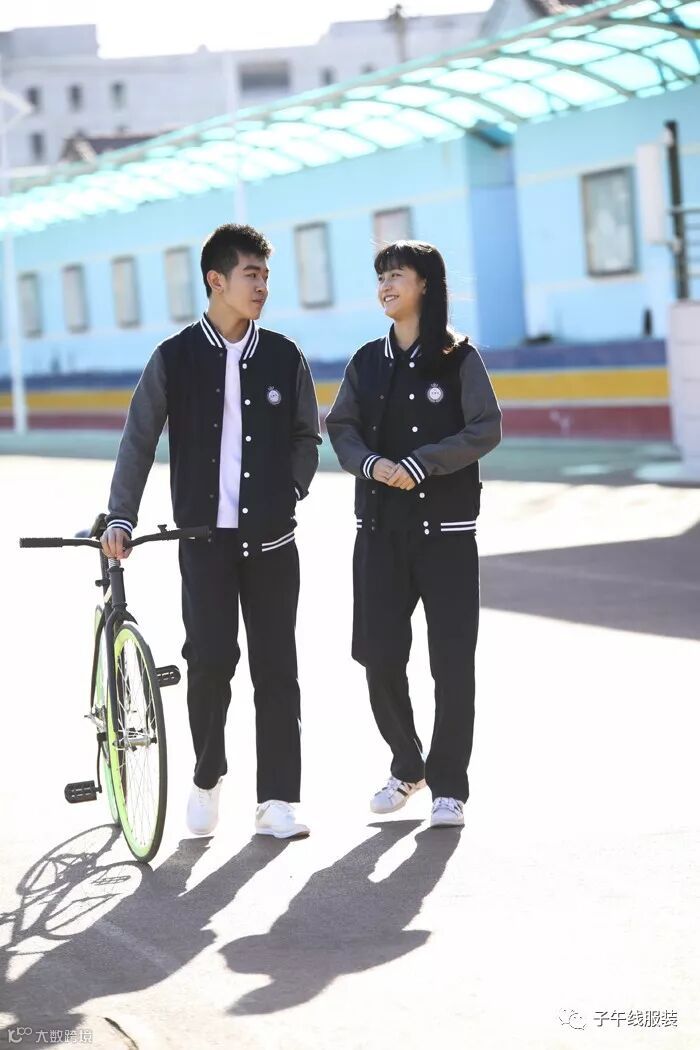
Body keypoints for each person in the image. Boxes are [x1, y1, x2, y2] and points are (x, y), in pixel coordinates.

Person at [101, 223, 321, 840]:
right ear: (216, 280)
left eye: (267, 276)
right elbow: (139, 439)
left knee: (277, 667)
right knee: (209, 663)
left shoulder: (283, 355)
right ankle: (207, 775)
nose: (262, 286)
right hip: (204, 544)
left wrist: (289, 490)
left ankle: (278, 799)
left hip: (273, 543)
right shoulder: (174, 358)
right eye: (252, 275)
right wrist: (120, 515)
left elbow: (307, 435)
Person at [326, 240, 501, 828]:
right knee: (377, 655)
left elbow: (486, 428)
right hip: (379, 532)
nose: (385, 286)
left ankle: (449, 786)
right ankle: (407, 765)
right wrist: (370, 464)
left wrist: (424, 463)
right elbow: (341, 426)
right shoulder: (366, 361)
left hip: (446, 534)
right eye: (380, 277)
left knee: (451, 664)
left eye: (396, 275)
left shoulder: (459, 359)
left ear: (425, 283)